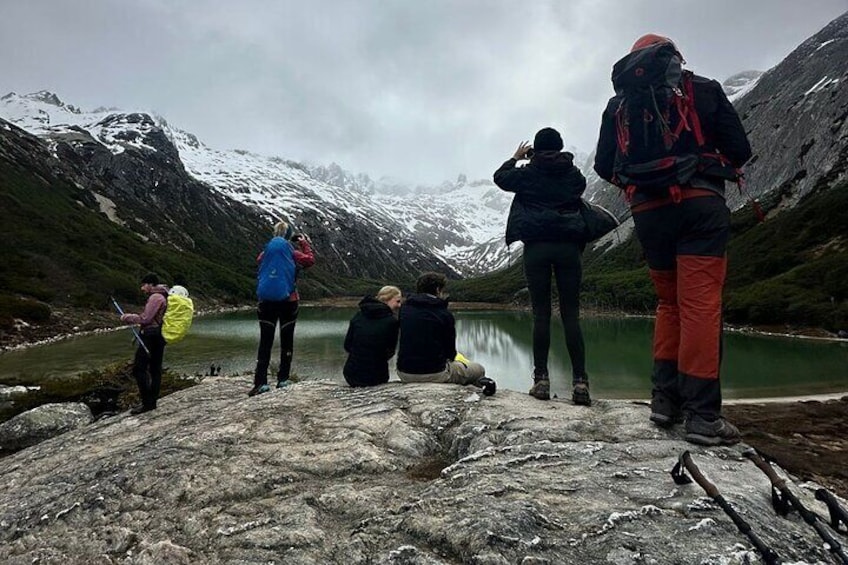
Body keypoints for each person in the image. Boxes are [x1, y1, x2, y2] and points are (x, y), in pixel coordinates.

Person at [594, 34, 752, 445]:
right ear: (675, 58)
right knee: (699, 304)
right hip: (700, 206)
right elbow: (740, 149)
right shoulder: (702, 89)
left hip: (648, 214)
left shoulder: (619, 105)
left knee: (669, 302)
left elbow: (603, 165)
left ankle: (664, 403)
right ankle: (703, 417)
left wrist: (641, 187)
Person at [493, 127, 591, 406]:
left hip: (537, 248)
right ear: (560, 147)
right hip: (569, 249)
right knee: (572, 316)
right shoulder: (573, 174)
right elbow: (579, 187)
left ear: (534, 147)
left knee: (541, 315)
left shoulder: (527, 174)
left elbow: (500, 178)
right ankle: (581, 383)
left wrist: (516, 157)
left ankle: (541, 380)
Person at [396, 272, 496, 395]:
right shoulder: (444, 314)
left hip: (403, 373)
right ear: (438, 290)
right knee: (478, 369)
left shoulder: (405, 309)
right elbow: (450, 352)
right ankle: (480, 392)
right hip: (435, 373)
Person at [249, 220, 315, 396]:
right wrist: (303, 242)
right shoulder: (292, 252)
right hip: (289, 301)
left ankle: (260, 382)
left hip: (265, 302)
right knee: (287, 341)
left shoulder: (266, 252)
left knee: (265, 342)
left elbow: (259, 260)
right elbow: (309, 260)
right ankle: (283, 380)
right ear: (288, 235)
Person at [120, 273, 169, 414]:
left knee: (139, 368)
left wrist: (127, 317)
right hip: (160, 335)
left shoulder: (155, 297)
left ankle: (147, 403)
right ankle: (151, 402)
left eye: (143, 285)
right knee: (155, 369)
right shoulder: (165, 295)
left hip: (151, 335)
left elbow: (146, 319)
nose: (142, 288)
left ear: (150, 284)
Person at [343, 285, 402, 387]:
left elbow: (347, 345)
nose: (400, 305)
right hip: (376, 377)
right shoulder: (392, 322)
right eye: (397, 301)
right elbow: (390, 351)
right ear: (387, 300)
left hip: (351, 375)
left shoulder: (358, 315)